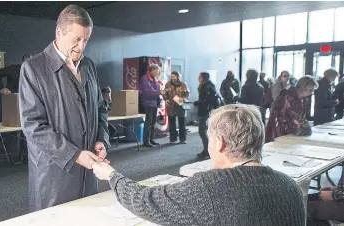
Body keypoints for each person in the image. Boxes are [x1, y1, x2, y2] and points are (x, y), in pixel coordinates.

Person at [92, 104, 305, 226]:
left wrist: (111, 175)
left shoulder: (211, 187)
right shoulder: (291, 187)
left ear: (219, 142)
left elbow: (144, 201)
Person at [19, 5, 110, 212]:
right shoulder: (33, 68)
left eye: (86, 40)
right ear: (59, 33)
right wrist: (75, 154)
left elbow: (100, 109)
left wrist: (101, 140)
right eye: (76, 39)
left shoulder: (89, 66)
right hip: (54, 178)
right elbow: (33, 126)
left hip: (88, 175)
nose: (81, 46)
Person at [266, 76, 319, 143]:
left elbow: (300, 117)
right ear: (303, 86)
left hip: (292, 132)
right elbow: (280, 116)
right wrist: (295, 128)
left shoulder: (303, 99)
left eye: (313, 90)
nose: (311, 92)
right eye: (310, 89)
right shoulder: (286, 95)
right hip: (279, 131)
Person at [139, 64, 164, 148]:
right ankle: (146, 141)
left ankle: (151, 139)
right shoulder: (145, 78)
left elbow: (156, 89)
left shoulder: (154, 79)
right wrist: (159, 92)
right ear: (152, 70)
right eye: (157, 71)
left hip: (154, 103)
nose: (157, 73)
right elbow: (147, 91)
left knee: (153, 122)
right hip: (148, 103)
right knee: (148, 123)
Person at [194, 72, 217, 159]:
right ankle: (206, 150)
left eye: (199, 77)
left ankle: (208, 151)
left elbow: (206, 100)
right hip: (207, 111)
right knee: (205, 131)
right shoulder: (210, 85)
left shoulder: (206, 87)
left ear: (202, 78)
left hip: (205, 112)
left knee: (202, 131)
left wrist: (198, 102)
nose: (198, 79)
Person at [164, 71, 190, 144]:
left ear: (178, 77)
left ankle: (183, 139)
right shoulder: (168, 84)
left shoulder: (183, 84)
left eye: (174, 76)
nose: (173, 78)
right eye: (172, 76)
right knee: (172, 123)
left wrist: (183, 98)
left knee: (182, 123)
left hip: (181, 105)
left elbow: (187, 94)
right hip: (171, 106)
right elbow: (165, 94)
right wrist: (166, 99)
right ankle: (173, 139)